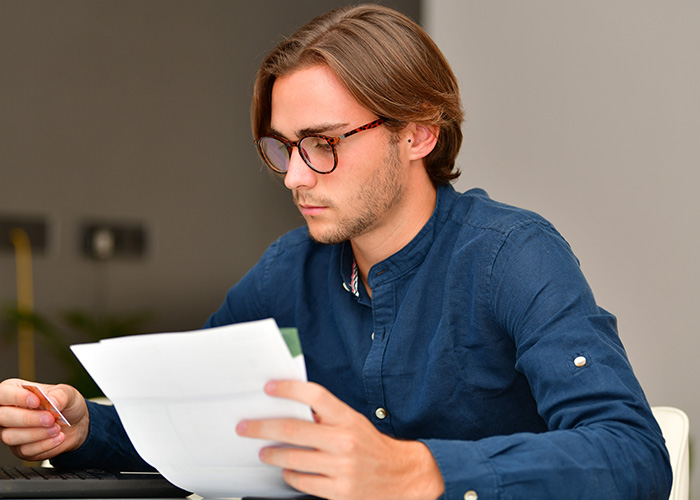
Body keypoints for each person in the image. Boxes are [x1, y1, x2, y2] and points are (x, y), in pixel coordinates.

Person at [0, 4, 671, 500]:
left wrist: (418, 471)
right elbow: (195, 427)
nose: (294, 177)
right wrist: (85, 427)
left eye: (323, 144)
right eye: (282, 147)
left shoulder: (511, 256)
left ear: (417, 134)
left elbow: (633, 454)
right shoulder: (287, 272)